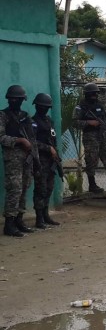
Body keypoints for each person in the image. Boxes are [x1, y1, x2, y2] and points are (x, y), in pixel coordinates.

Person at [0, 85, 40, 237]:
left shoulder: (25, 116)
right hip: (13, 159)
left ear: (23, 100)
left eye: (17, 99)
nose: (14, 101)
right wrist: (19, 140)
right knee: (14, 189)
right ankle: (9, 224)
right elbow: (1, 137)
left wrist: (36, 159)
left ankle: (19, 220)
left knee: (24, 187)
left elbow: (32, 139)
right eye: (12, 98)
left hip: (27, 158)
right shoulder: (3, 115)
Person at [72, 82, 106, 193]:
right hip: (90, 136)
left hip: (102, 134)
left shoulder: (99, 105)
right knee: (91, 159)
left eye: (96, 93)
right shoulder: (80, 107)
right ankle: (92, 184)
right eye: (92, 94)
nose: (94, 96)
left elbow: (105, 118)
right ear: (87, 94)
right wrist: (89, 122)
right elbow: (75, 123)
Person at [31, 93, 61, 228]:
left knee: (49, 188)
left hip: (50, 161)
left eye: (46, 107)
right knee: (40, 189)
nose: (44, 109)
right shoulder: (33, 122)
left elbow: (53, 140)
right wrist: (48, 148)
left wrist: (55, 154)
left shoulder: (49, 121)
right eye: (42, 106)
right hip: (40, 159)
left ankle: (45, 215)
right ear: (37, 106)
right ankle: (39, 218)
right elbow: (32, 142)